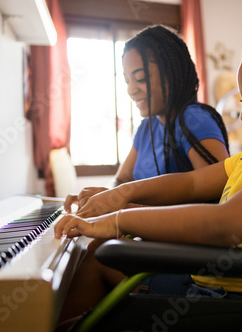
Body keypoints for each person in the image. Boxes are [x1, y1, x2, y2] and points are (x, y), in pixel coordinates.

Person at [54, 23, 242, 329]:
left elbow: (228, 224)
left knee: (97, 269)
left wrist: (118, 219)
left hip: (236, 298)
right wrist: (121, 194)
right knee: (99, 259)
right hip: (216, 283)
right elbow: (191, 182)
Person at [65, 25, 229, 210]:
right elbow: (121, 180)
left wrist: (127, 203)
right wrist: (106, 195)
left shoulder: (195, 119)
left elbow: (218, 193)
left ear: (171, 73)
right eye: (127, 80)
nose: (130, 90)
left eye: (140, 78)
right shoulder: (146, 127)